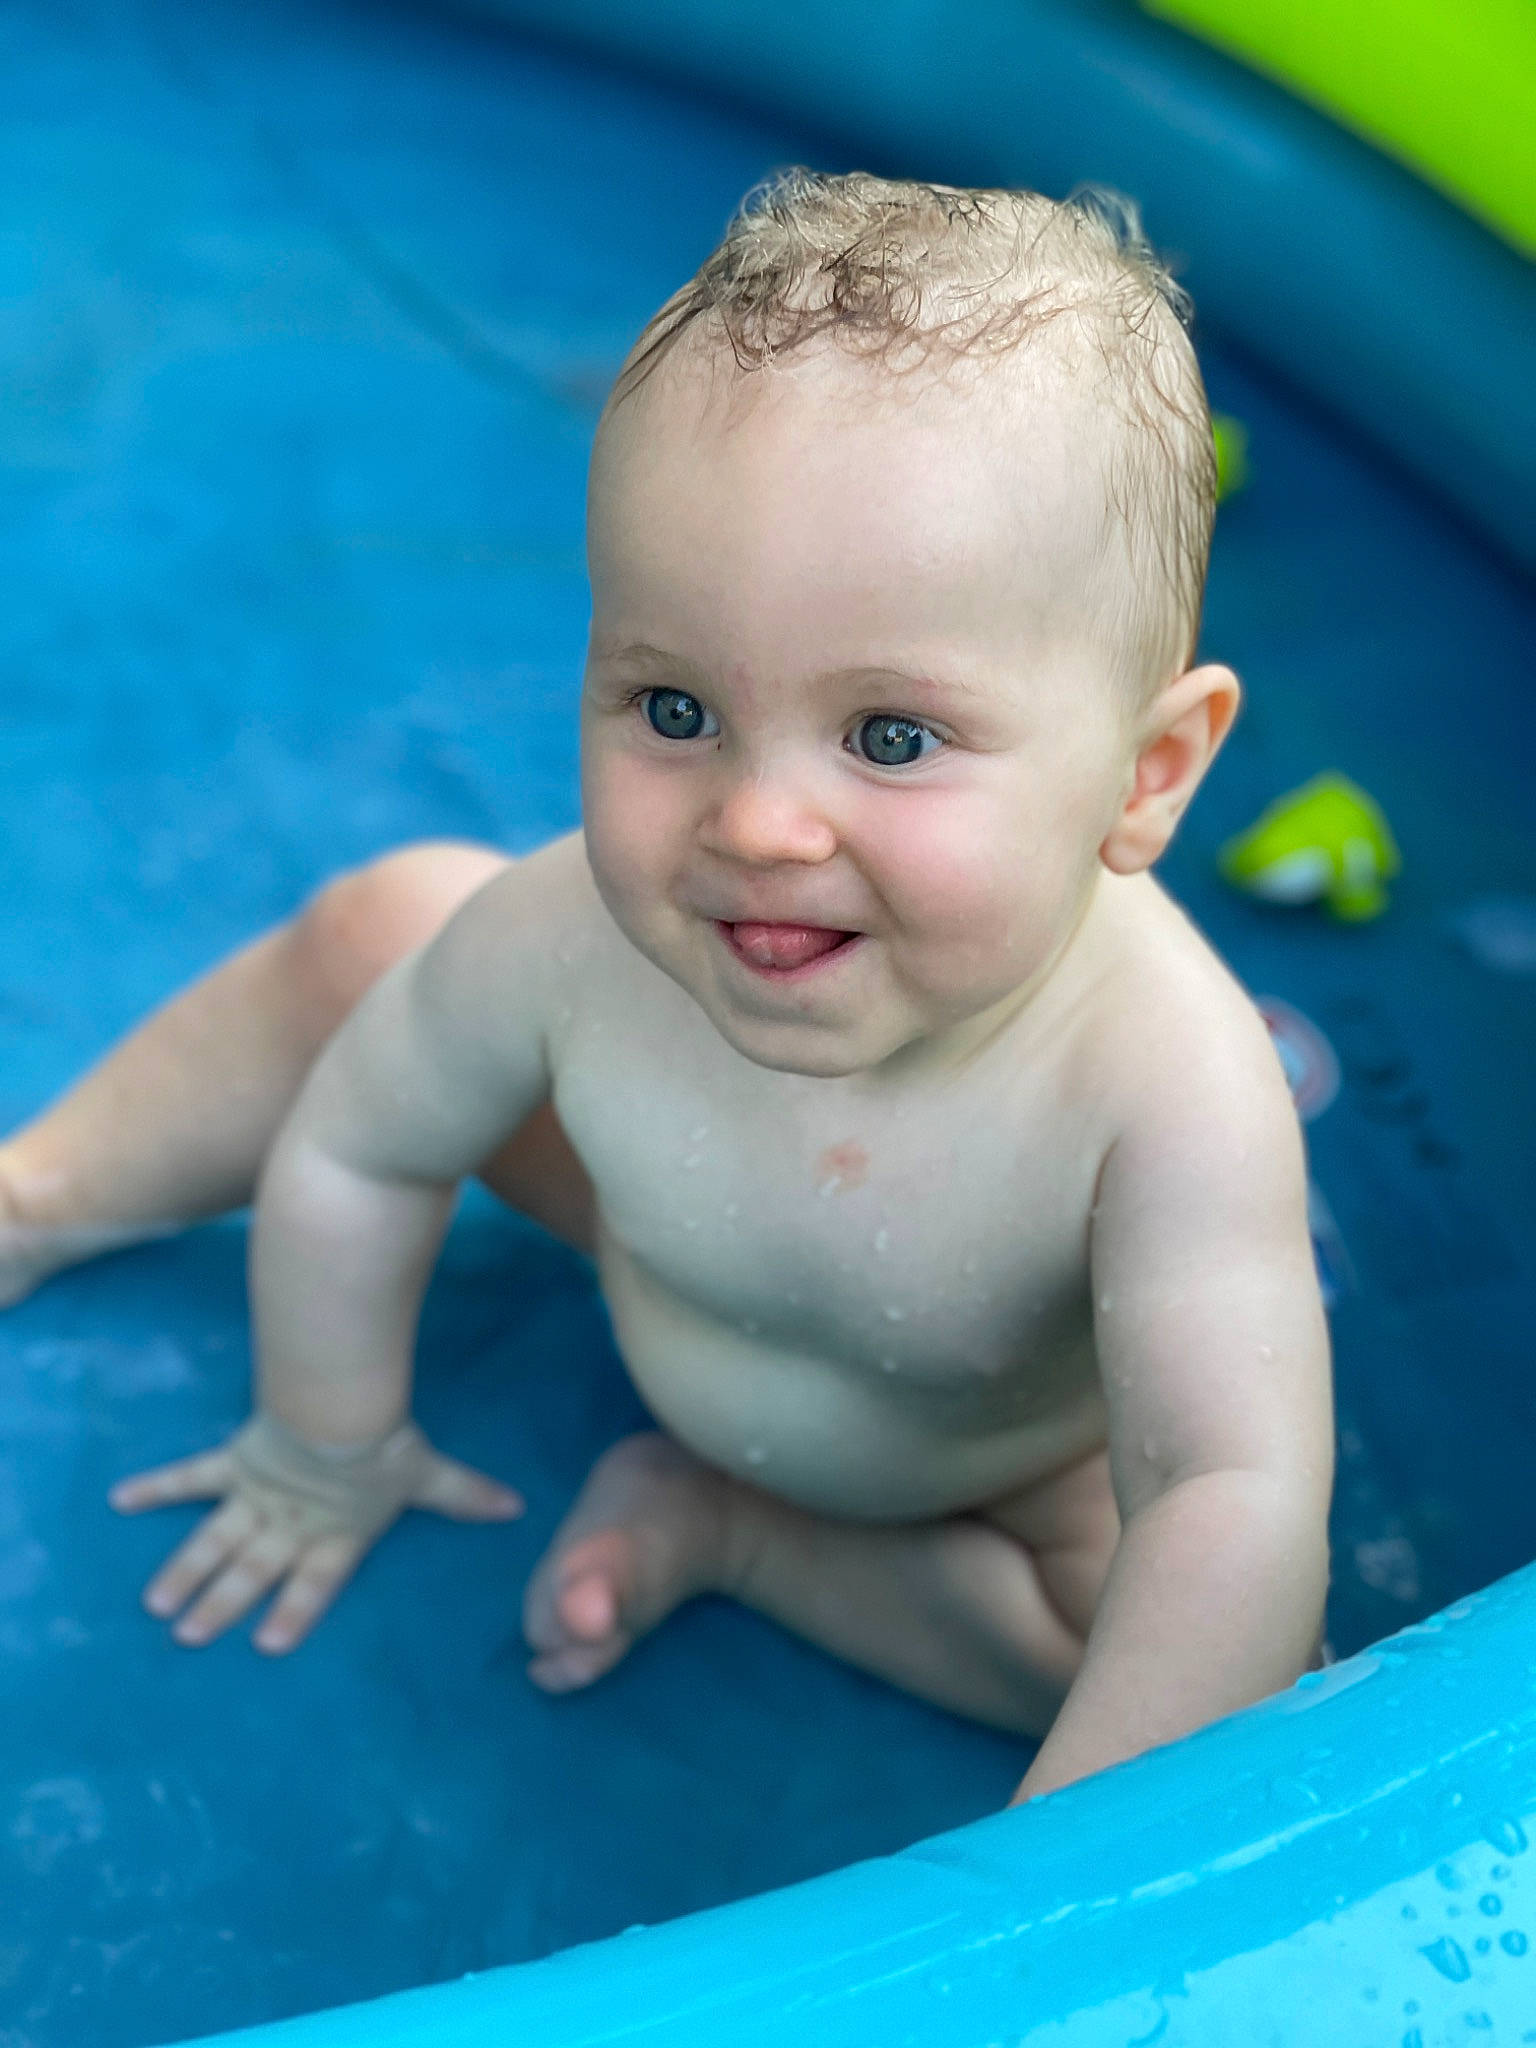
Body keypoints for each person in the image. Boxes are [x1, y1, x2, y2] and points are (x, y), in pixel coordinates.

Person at [0, 172, 1332, 1804]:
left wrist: (1081, 1886)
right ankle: (38, 1193)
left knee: (1199, 1641)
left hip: (989, 1456)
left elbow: (1228, 1485)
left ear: (1148, 772)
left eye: (892, 738)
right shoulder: (580, 933)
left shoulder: (1164, 1088)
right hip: (661, 1247)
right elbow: (362, 1149)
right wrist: (320, 1436)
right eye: (676, 707)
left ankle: (743, 1543)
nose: (757, 828)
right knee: (389, 935)